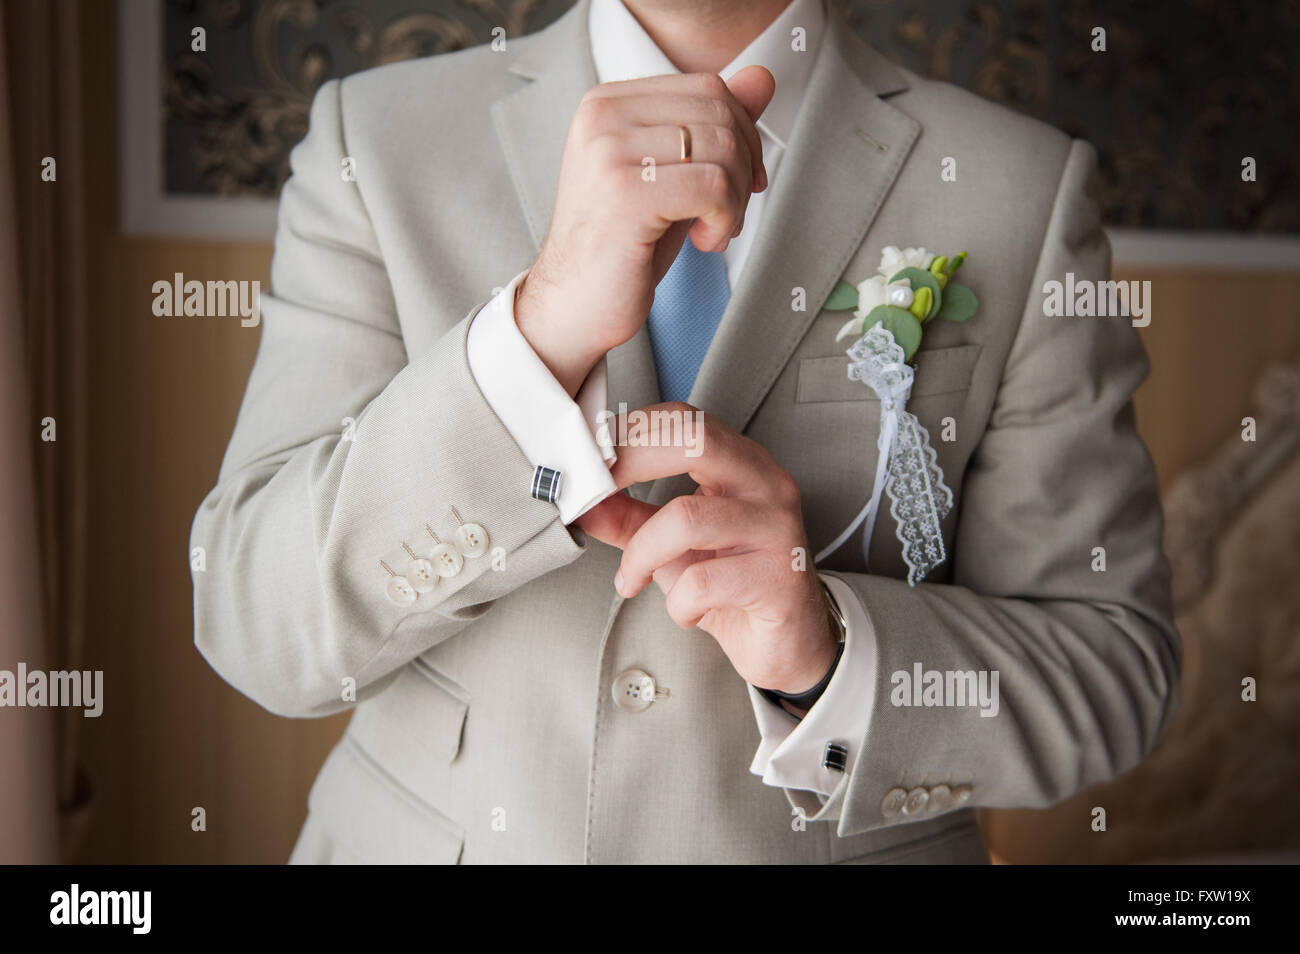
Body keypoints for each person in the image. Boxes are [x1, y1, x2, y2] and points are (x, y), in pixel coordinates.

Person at [191, 0, 1180, 863]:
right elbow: (258, 629)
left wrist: (829, 653)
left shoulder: (1020, 187)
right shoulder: (374, 138)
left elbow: (1112, 671)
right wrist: (536, 337)